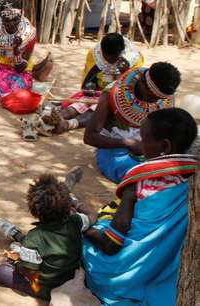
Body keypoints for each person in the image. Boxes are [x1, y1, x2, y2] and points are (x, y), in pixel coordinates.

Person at [82, 108, 198, 305]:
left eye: (144, 139)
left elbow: (111, 244)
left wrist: (88, 229)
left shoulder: (139, 181)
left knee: (94, 231)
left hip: (119, 278)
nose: (139, 144)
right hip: (166, 272)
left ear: (165, 146)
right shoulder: (192, 181)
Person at [0, 172, 92, 300]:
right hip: (71, 278)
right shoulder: (76, 221)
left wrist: (17, 262)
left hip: (47, 289)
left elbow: (29, 270)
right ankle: (16, 236)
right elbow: (92, 216)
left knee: (1, 272)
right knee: (39, 247)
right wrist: (77, 203)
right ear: (68, 205)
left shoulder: (35, 237)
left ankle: (15, 235)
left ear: (34, 209)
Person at [84, 62, 179, 183]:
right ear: (144, 84)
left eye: (160, 98)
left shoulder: (162, 99)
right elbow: (89, 137)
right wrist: (128, 143)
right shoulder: (112, 94)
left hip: (149, 149)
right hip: (115, 150)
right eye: (153, 97)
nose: (155, 102)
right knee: (139, 177)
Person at [40, 33, 143, 134]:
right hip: (98, 91)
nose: (110, 63)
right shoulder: (94, 55)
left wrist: (125, 72)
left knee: (98, 109)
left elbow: (134, 90)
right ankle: (56, 118)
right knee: (80, 103)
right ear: (102, 52)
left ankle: (67, 124)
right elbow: (90, 78)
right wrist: (90, 86)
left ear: (121, 53)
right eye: (107, 58)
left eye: (113, 59)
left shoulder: (135, 60)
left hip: (118, 96)